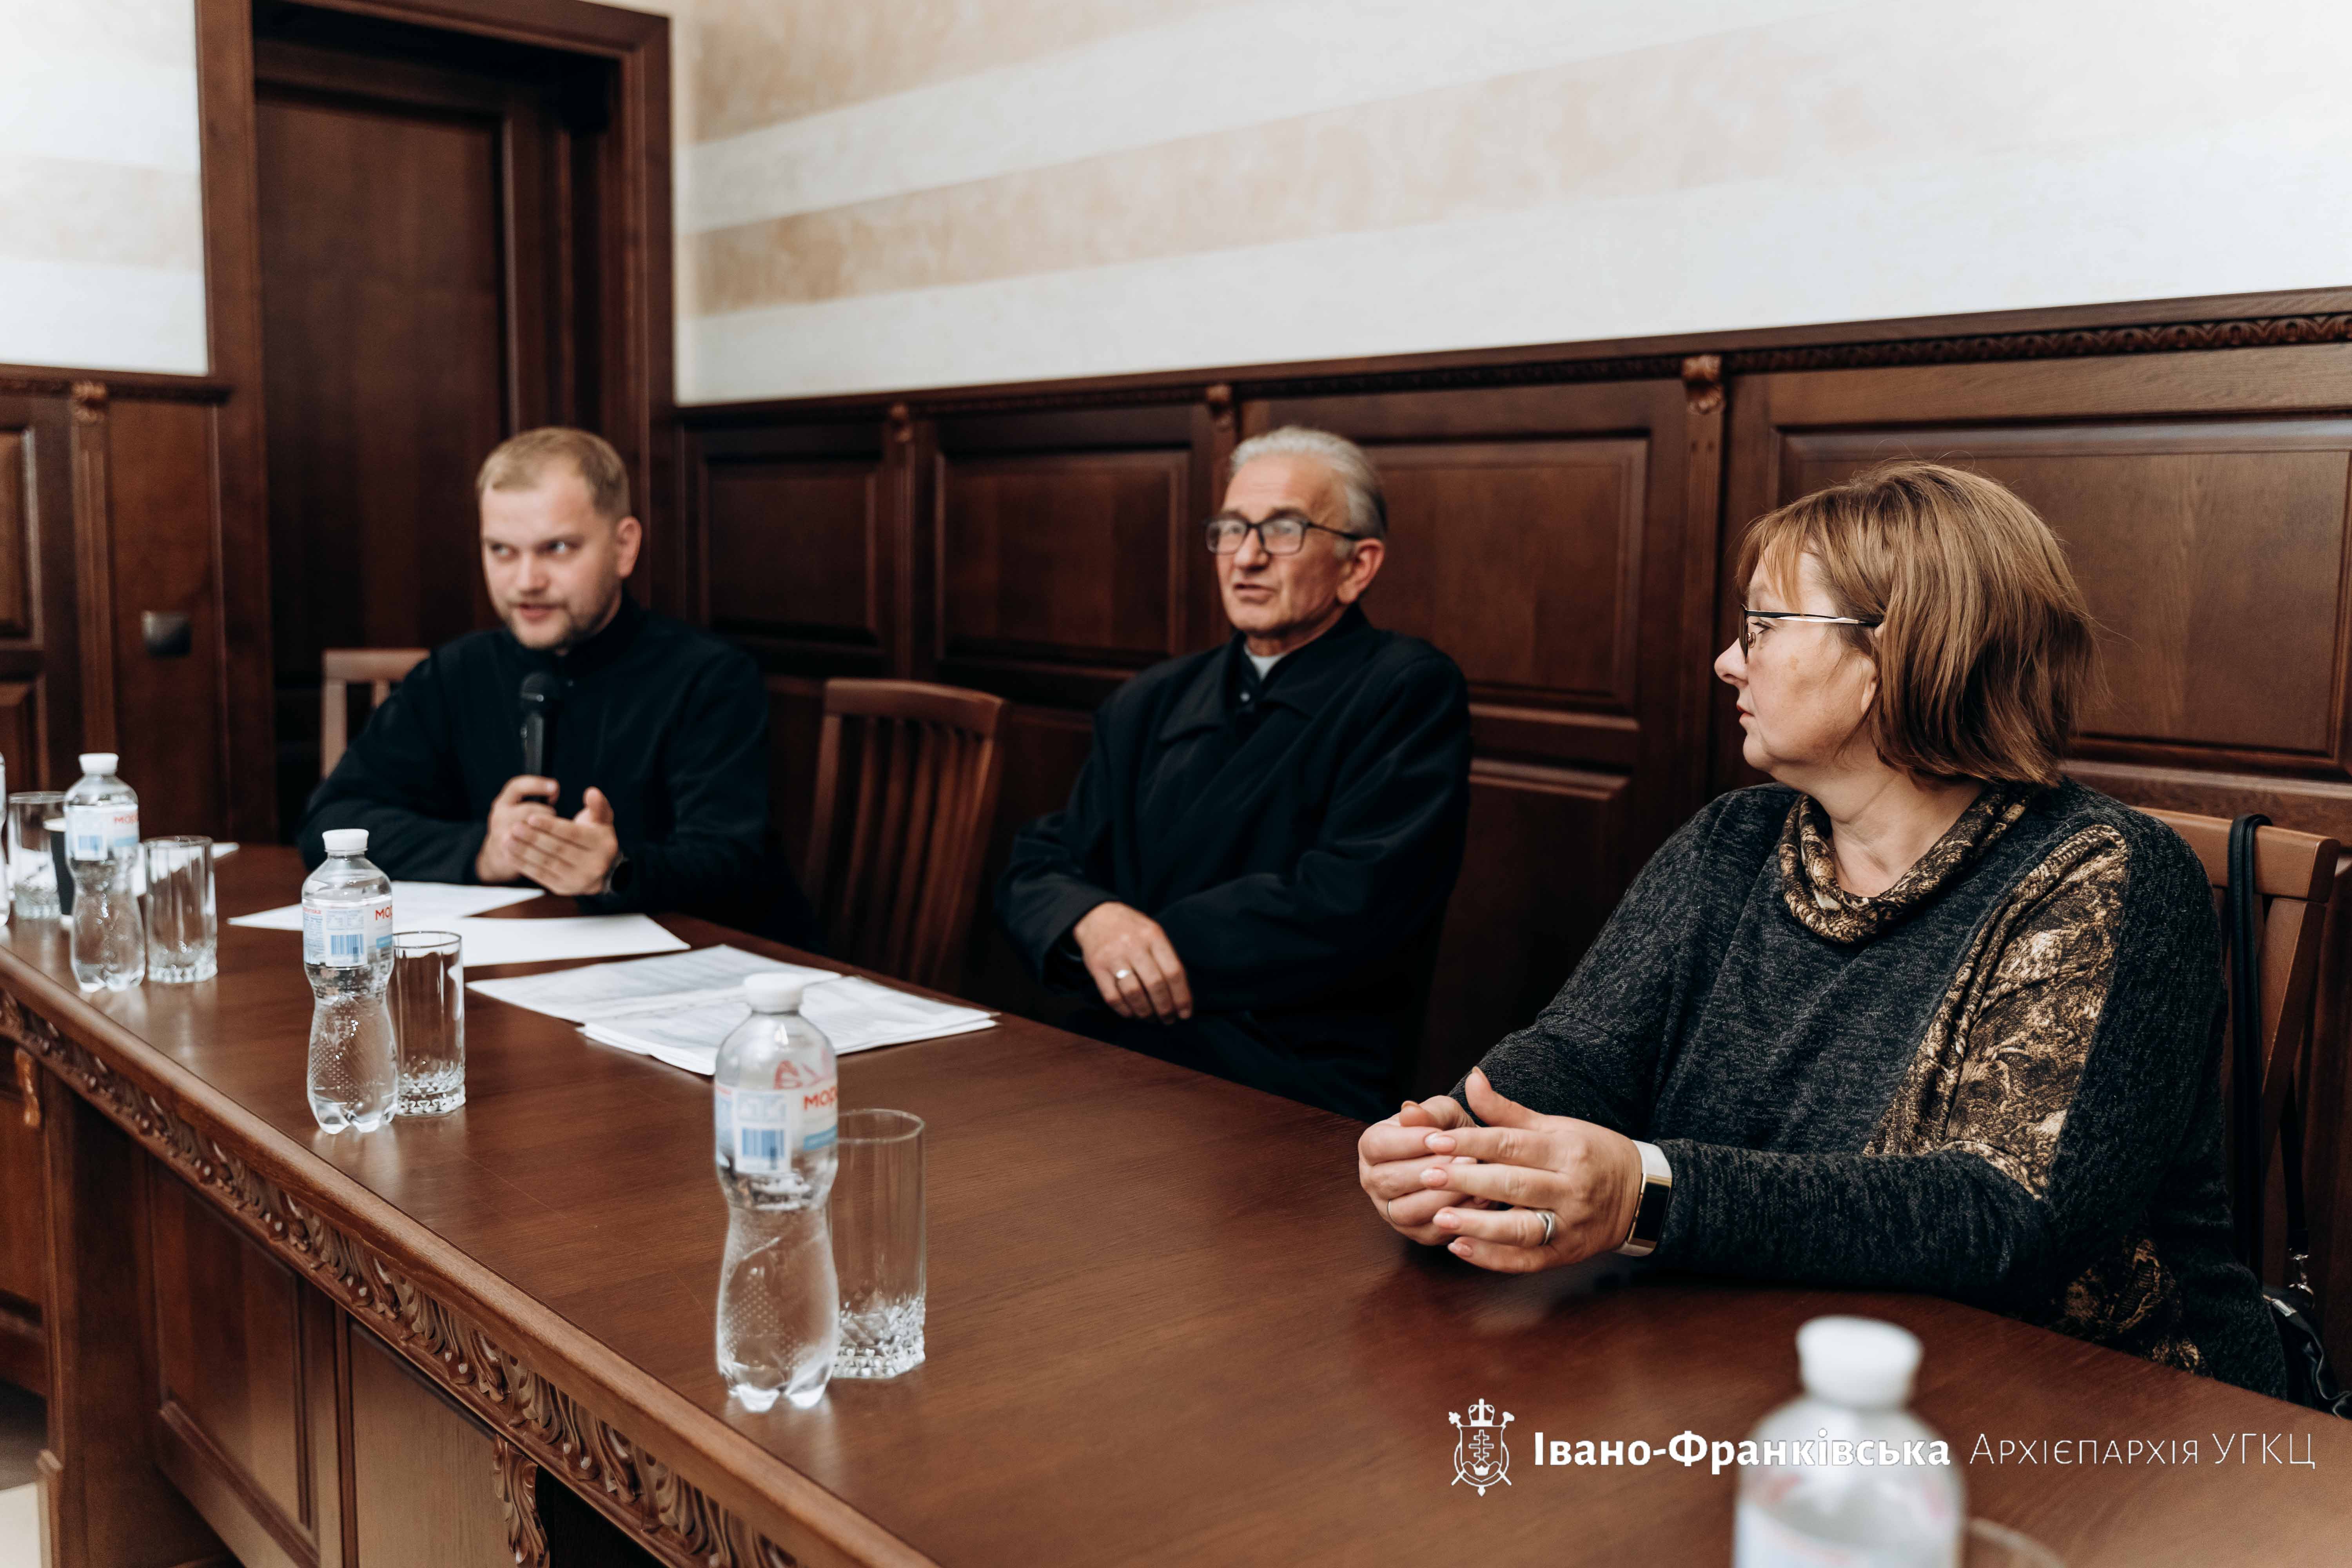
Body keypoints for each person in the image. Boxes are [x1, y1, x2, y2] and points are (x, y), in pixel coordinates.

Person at [1357, 460, 2288, 1397]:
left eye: (1762, 625)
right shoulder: (1735, 838)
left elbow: (2009, 1215)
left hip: (2099, 1409)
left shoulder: (2107, 872)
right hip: (1772, 1365)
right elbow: (1582, 1057)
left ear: (1896, 651)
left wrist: (1651, 1192)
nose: (1728, 661)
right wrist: (1460, 1148)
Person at [997, 427, 1471, 1120]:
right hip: (1118, 1047)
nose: (1246, 557)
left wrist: (1147, 948)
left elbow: (1352, 900)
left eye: (1283, 530)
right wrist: (1093, 921)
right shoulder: (1152, 699)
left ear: (1358, 566)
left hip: (1289, 1077)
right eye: (1230, 530)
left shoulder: (1407, 690)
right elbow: (1044, 859)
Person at [299, 427, 814, 942]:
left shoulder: (709, 677)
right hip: (506, 966)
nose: (527, 580)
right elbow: (331, 823)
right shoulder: (454, 672)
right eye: (502, 550)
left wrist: (615, 870)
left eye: (558, 548)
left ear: (624, 546)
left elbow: (733, 861)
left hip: (686, 970)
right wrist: (484, 852)